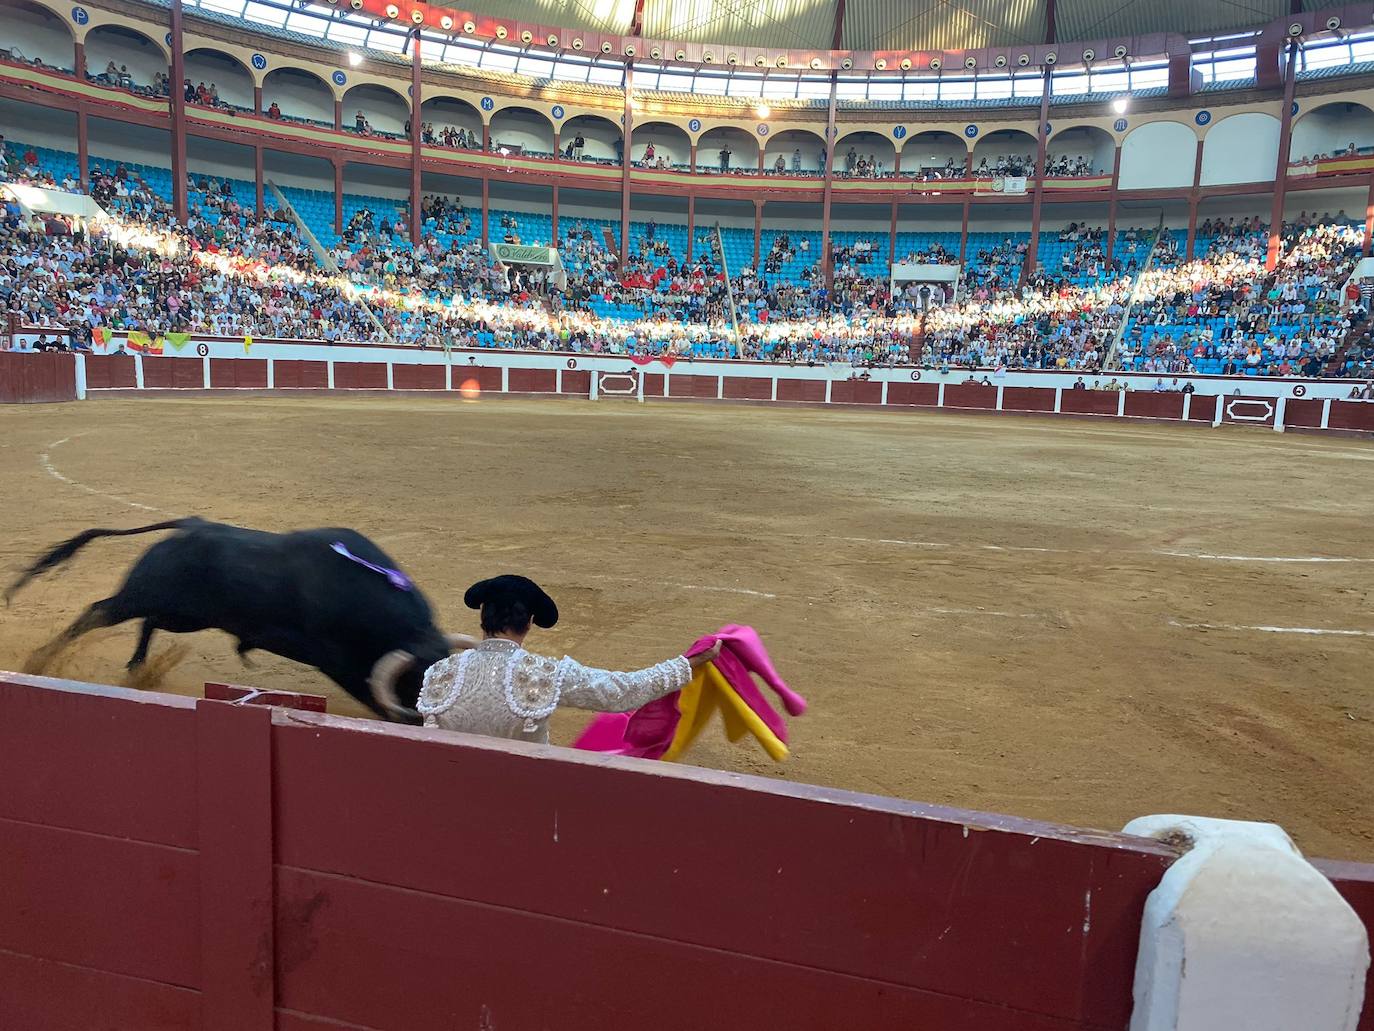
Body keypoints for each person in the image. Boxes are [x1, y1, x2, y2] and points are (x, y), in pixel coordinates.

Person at [391, 575, 719, 744]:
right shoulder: (545, 674)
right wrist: (686, 664)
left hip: (455, 799)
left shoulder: (440, 673)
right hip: (526, 801)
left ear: (483, 619)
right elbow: (623, 692)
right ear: (530, 622)